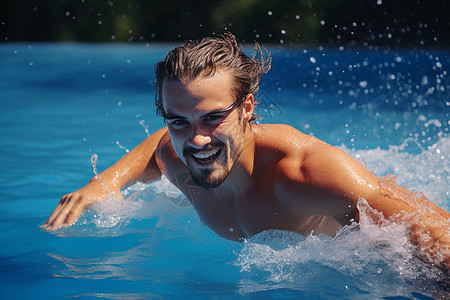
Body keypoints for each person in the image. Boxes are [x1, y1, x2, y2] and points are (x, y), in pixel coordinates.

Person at [42, 33, 449, 273]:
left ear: (248, 108)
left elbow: (421, 222)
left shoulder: (302, 173)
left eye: (212, 118)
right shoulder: (177, 155)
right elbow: (156, 148)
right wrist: (100, 185)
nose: (196, 140)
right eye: (178, 120)